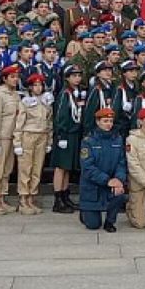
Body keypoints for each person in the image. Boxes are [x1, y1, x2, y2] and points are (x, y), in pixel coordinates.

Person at [78, 107, 127, 232]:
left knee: (119, 193)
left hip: (111, 184)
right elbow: (87, 167)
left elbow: (121, 163)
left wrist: (118, 179)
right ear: (97, 122)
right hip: (93, 187)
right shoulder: (88, 141)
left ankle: (110, 221)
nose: (109, 124)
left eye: (110, 121)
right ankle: (85, 212)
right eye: (105, 121)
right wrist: (107, 180)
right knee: (93, 225)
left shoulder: (117, 139)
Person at [13, 74, 53, 215]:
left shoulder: (46, 101)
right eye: (35, 85)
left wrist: (49, 141)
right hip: (28, 135)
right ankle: (23, 198)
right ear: (30, 87)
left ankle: (32, 196)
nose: (38, 88)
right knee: (25, 168)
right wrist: (17, 142)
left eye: (40, 85)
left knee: (37, 168)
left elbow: (49, 123)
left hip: (42, 135)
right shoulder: (25, 102)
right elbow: (19, 123)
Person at [0, 65, 22, 214]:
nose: (15, 80)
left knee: (7, 169)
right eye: (12, 77)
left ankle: (2, 197)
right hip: (1, 137)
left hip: (12, 136)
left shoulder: (15, 95)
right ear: (4, 79)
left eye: (17, 77)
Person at [51, 65, 86, 213]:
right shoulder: (64, 94)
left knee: (67, 168)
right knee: (60, 167)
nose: (77, 78)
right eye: (73, 76)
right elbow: (60, 116)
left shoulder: (76, 93)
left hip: (74, 134)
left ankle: (65, 196)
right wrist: (61, 135)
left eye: (79, 75)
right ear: (67, 78)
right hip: (65, 135)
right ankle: (58, 200)